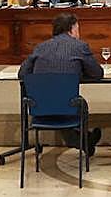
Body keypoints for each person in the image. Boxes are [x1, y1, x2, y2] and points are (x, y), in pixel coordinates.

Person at [18, 12, 103, 153]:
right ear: (72, 29)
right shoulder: (80, 46)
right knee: (76, 104)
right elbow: (97, 73)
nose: (79, 33)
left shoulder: (40, 47)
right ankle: (83, 141)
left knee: (59, 102)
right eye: (78, 29)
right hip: (67, 104)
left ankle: (85, 141)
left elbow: (22, 74)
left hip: (39, 106)